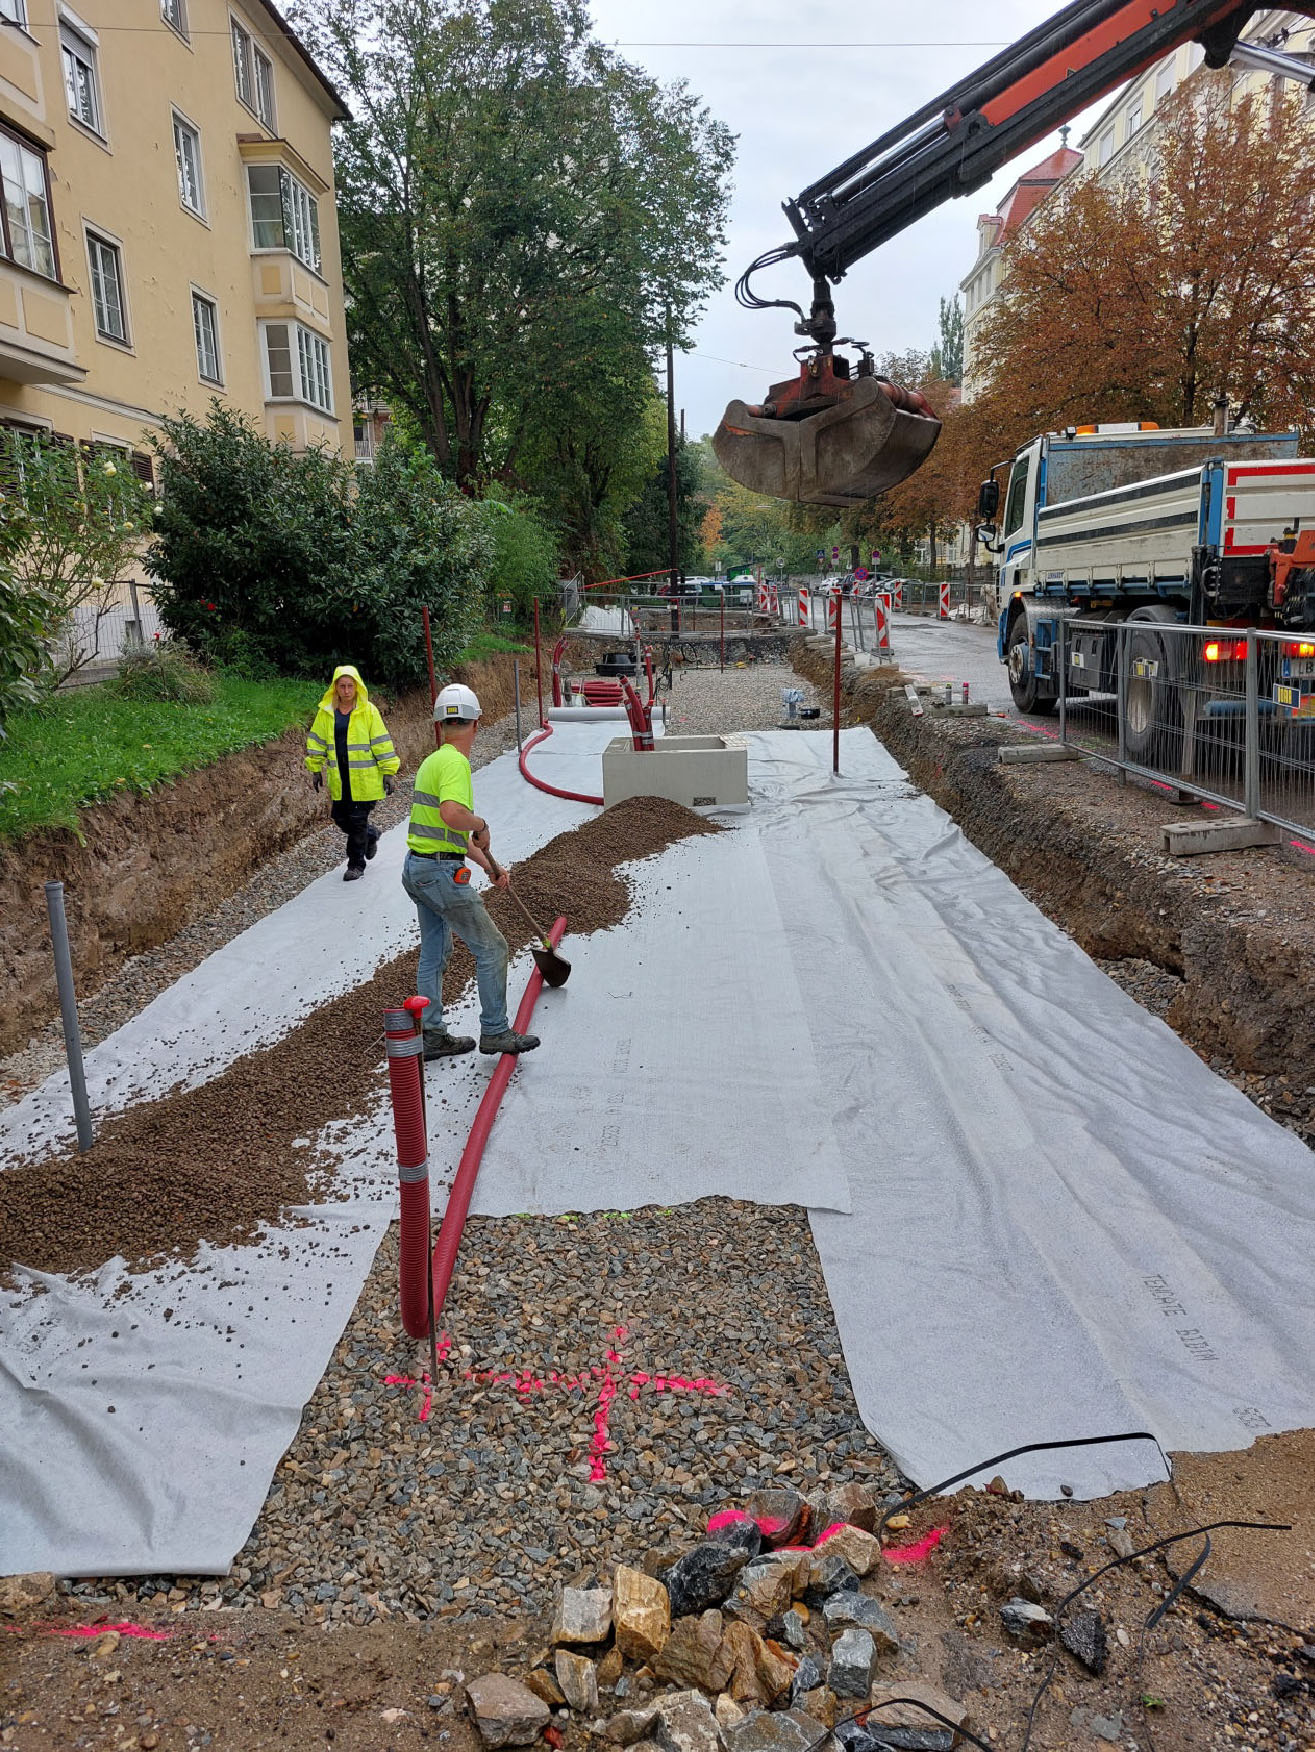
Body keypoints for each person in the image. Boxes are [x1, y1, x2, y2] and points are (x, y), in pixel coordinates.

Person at [402, 682, 540, 1061]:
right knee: (492, 947)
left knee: (435, 951)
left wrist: (487, 866)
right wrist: (480, 824)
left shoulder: (432, 761)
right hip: (439, 874)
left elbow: (446, 831)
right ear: (476, 724)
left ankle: (431, 1034)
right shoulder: (456, 763)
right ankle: (495, 1032)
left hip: (416, 869)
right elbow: (453, 815)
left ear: (440, 726)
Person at [305, 665, 400, 881]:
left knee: (357, 821)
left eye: (350, 686)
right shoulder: (326, 712)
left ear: (357, 687)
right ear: (335, 688)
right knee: (339, 817)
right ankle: (371, 834)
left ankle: (356, 864)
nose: (346, 690)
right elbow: (317, 741)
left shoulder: (368, 711)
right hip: (340, 777)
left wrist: (388, 772)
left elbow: (381, 741)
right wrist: (315, 768)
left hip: (364, 779)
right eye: (342, 686)